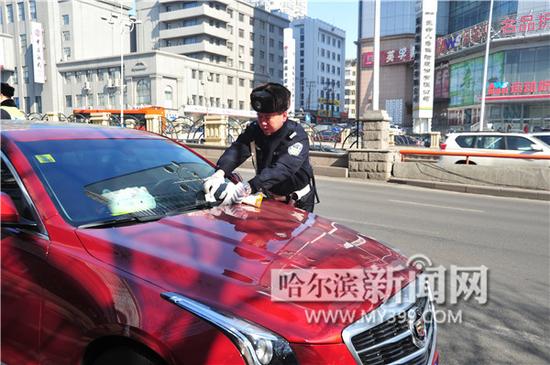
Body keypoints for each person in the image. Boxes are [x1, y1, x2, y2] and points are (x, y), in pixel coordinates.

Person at [203, 82, 318, 212]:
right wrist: (220, 172)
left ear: (284, 115)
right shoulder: (255, 130)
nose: (263, 122)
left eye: (268, 117)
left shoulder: (296, 135)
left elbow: (283, 168)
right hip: (269, 197)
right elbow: (237, 150)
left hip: (296, 200)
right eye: (260, 116)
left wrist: (248, 187)